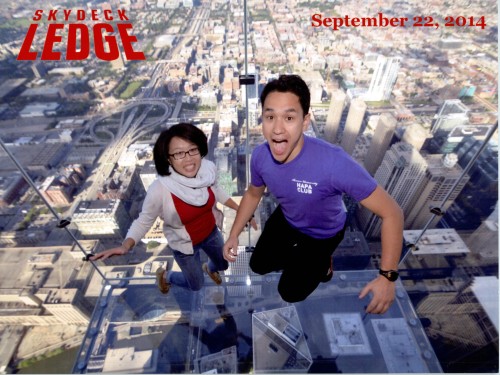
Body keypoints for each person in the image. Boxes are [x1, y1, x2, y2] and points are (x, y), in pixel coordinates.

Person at [223, 75, 404, 314]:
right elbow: (253, 194)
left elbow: (392, 213)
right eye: (270, 117)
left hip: (324, 232)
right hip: (289, 217)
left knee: (289, 291)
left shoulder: (333, 162)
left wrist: (387, 276)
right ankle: (305, 259)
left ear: (305, 121)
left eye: (289, 117)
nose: (277, 128)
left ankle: (321, 264)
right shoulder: (260, 156)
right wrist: (234, 234)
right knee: (258, 265)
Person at [91, 123, 256, 294]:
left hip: (211, 233)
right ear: (168, 158)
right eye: (179, 153)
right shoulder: (160, 189)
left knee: (223, 264)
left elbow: (217, 191)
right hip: (184, 245)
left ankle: (210, 268)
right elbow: (143, 221)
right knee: (196, 285)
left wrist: (241, 210)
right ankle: (166, 276)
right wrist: (126, 246)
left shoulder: (206, 171)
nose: (189, 158)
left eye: (193, 149)